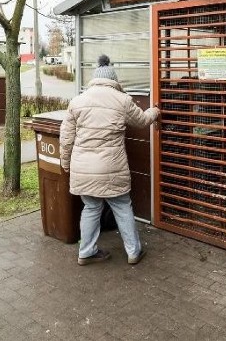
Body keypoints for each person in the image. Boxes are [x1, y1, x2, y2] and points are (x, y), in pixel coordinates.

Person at [59, 54, 160, 266]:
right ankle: (133, 252)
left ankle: (86, 252)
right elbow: (142, 121)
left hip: (83, 168)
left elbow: (66, 139)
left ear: (94, 79)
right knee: (122, 206)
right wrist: (155, 111)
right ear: (114, 80)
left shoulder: (77, 101)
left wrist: (65, 164)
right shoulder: (122, 100)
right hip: (112, 168)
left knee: (91, 208)